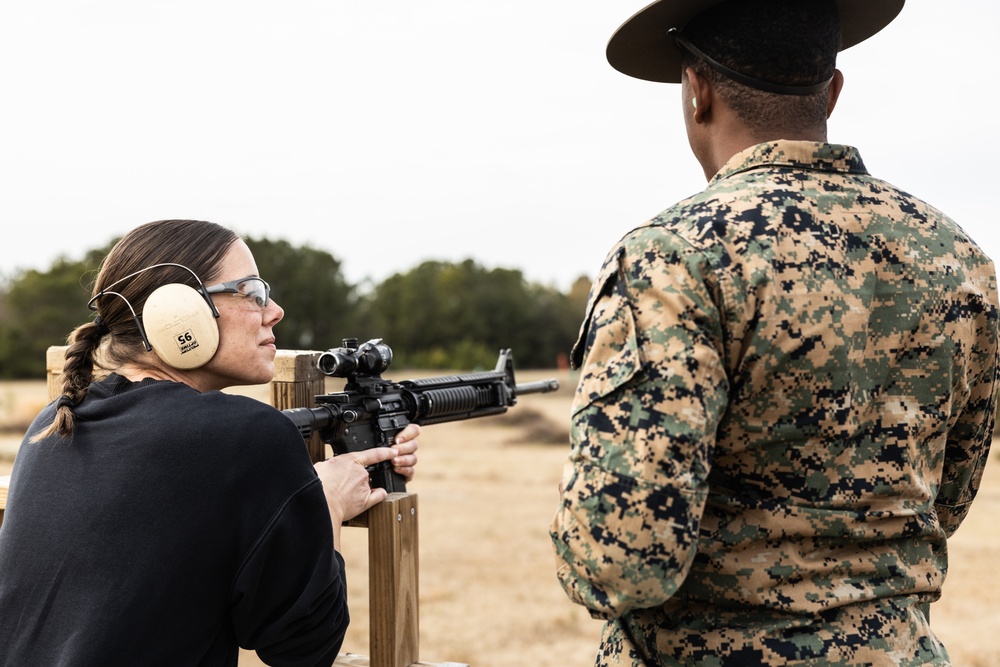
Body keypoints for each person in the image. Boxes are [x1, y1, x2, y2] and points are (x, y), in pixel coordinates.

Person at [549, 1, 999, 665]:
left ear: (696, 90)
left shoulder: (674, 257)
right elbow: (948, 496)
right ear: (833, 91)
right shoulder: (959, 259)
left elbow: (622, 557)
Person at [0, 219, 420, 666]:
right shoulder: (246, 435)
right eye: (252, 292)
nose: (274, 310)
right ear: (179, 312)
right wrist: (328, 505)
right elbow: (305, 649)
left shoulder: (56, 421)